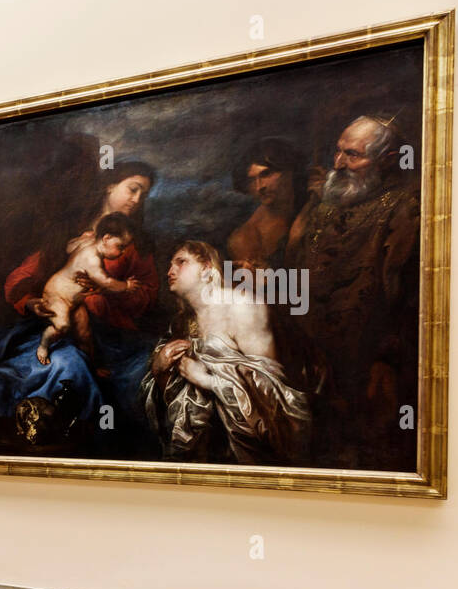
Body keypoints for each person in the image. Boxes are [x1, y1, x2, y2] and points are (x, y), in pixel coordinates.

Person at [0, 160, 160, 455]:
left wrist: (107, 294)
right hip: (60, 325)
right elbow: (20, 279)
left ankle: (103, 454)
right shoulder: (70, 234)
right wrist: (31, 302)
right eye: (133, 189)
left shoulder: (135, 243)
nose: (137, 199)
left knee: (128, 375)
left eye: (144, 194)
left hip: (111, 336)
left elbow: (147, 297)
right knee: (55, 368)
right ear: (110, 185)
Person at [286, 113, 420, 470]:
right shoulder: (327, 203)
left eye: (353, 155)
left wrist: (386, 359)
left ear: (388, 161)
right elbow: (297, 267)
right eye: (338, 152)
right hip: (314, 353)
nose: (339, 163)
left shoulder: (405, 207)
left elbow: (404, 294)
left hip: (368, 358)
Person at [140, 240, 313, 465]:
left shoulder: (241, 307)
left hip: (246, 451)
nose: (169, 271)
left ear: (206, 269)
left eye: (181, 262)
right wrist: (159, 368)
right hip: (208, 446)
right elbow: (178, 402)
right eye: (170, 264)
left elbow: (273, 396)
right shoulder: (183, 322)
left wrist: (208, 381)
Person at [28, 212, 140, 374]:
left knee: (85, 334)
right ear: (106, 238)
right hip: (57, 295)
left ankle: (91, 368)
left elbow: (69, 246)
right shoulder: (92, 259)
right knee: (62, 325)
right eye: (121, 247)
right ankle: (44, 346)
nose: (122, 252)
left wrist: (81, 239)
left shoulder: (88, 242)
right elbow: (107, 282)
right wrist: (126, 286)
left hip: (73, 301)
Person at [226, 137, 305, 270]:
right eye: (252, 180)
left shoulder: (311, 200)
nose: (259, 187)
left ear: (289, 170)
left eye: (266, 174)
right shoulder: (244, 239)